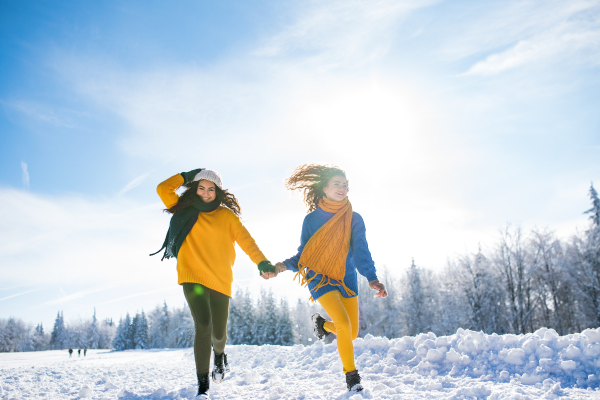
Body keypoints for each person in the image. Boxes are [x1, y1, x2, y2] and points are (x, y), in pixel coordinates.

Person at [151, 168, 275, 399]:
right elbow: (162, 188)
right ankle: (203, 384)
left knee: (219, 334)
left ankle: (219, 354)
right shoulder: (183, 209)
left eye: (211, 189)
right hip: (192, 276)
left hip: (220, 279)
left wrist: (262, 262)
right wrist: (189, 175)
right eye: (201, 188)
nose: (206, 193)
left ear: (217, 192)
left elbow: (247, 242)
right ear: (194, 189)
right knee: (204, 324)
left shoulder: (227, 216)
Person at [267, 164, 387, 393]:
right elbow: (305, 253)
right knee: (343, 325)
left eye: (345, 185)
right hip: (319, 278)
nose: (342, 188)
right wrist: (281, 266)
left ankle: (322, 324)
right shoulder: (311, 220)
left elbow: (361, 251)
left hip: (346, 279)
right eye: (337, 184)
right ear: (324, 188)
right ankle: (352, 376)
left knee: (350, 332)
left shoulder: (354, 218)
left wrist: (372, 278)